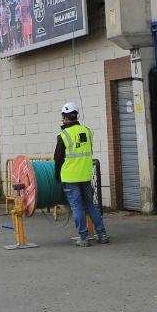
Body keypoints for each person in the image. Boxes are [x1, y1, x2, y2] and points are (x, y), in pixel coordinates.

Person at [52, 102, 108, 247]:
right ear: (76, 115)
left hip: (70, 177)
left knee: (76, 207)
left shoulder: (63, 135)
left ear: (64, 117)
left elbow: (58, 158)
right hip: (86, 175)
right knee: (90, 205)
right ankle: (102, 234)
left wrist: (57, 174)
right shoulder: (87, 131)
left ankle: (83, 237)